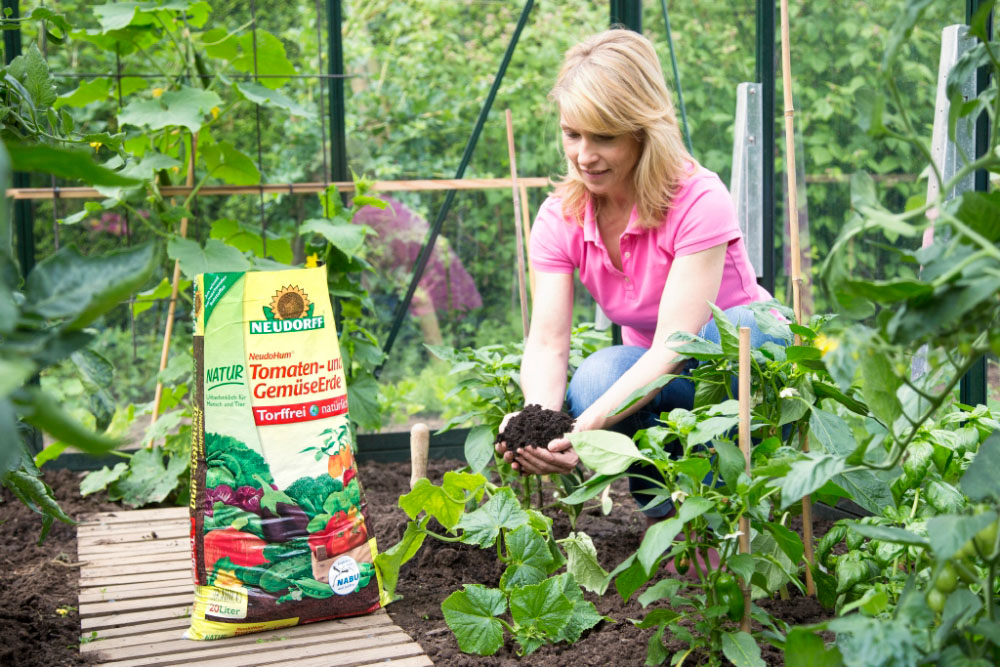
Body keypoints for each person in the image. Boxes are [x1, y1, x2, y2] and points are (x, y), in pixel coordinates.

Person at [496, 29, 781, 520]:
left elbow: (678, 342)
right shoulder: (560, 217)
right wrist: (538, 423)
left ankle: (730, 513)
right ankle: (668, 518)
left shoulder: (697, 199)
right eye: (572, 134)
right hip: (660, 365)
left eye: (603, 137)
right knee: (595, 380)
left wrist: (588, 429)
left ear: (642, 130)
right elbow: (546, 343)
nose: (584, 155)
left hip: (744, 353)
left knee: (734, 336)